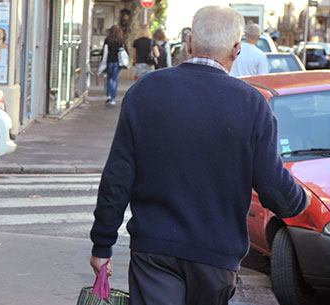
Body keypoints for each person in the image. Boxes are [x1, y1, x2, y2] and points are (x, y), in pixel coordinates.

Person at [89, 6, 310, 305]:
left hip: (155, 250)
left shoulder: (146, 91)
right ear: (237, 50)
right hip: (216, 256)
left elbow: (118, 175)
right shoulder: (252, 105)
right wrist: (301, 199)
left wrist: (103, 244)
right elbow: (273, 189)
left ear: (189, 43)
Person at [103, 25, 127, 105]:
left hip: (109, 61)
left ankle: (108, 95)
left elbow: (104, 51)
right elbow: (125, 50)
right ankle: (113, 98)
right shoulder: (120, 40)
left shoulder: (107, 40)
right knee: (115, 79)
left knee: (109, 78)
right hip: (118, 62)